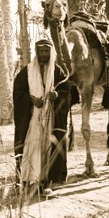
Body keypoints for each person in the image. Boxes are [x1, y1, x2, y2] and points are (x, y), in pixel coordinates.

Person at [13, 37, 71, 195]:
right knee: (30, 146)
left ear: (51, 52)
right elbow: (18, 92)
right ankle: (26, 180)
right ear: (37, 52)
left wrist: (57, 95)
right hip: (32, 118)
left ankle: (46, 182)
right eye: (41, 51)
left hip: (51, 118)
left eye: (46, 51)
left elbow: (68, 92)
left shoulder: (58, 71)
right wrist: (30, 99)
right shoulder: (26, 71)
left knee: (48, 147)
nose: (44, 54)